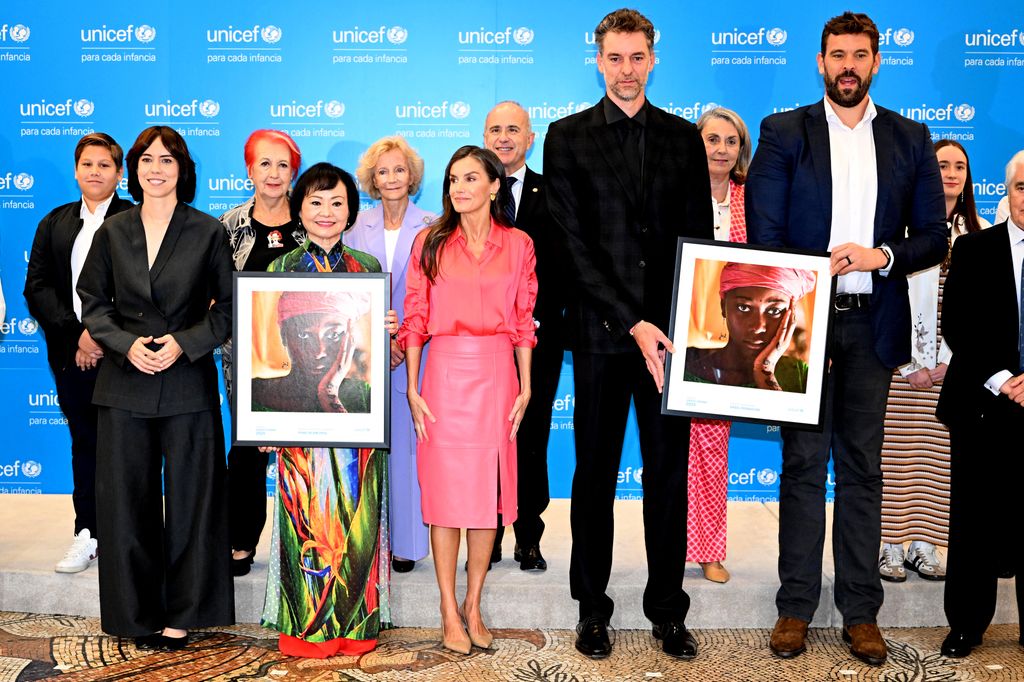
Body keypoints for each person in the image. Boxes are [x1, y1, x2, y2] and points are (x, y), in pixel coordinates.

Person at [745, 12, 947, 666]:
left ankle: (862, 613)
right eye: (838, 55)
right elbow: (766, 233)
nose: (848, 66)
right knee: (803, 468)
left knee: (862, 470)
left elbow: (933, 236)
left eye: (860, 55)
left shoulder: (911, 138)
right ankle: (795, 607)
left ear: (877, 61)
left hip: (873, 324)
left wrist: (880, 254)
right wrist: (807, 281)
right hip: (803, 324)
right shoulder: (783, 133)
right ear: (821, 61)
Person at [544, 8, 714, 661]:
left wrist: (674, 328)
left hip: (671, 343)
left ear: (653, 58)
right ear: (598, 59)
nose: (625, 70)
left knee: (668, 478)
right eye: (614, 58)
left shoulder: (681, 137)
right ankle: (592, 608)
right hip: (600, 335)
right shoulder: (566, 138)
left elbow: (699, 240)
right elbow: (573, 249)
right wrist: (632, 321)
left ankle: (668, 611)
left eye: (636, 57)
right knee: (593, 475)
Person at [76, 126, 235, 650]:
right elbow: (93, 305)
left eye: (167, 160)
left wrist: (182, 344)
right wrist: (125, 344)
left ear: (182, 169)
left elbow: (229, 311)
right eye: (147, 159)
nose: (157, 168)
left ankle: (184, 614)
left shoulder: (208, 232)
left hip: (187, 381)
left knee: (193, 501)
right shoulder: (113, 231)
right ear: (134, 169)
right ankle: (134, 613)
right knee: (126, 505)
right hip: (123, 384)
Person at [398, 145, 537, 655]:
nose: (459, 187)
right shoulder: (429, 243)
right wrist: (413, 386)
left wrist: (525, 385)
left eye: (471, 178)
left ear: (495, 185)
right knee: (446, 499)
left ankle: (474, 604)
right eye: (453, 179)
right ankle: (446, 607)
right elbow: (415, 317)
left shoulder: (520, 244)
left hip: (499, 372)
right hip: (444, 375)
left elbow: (524, 321)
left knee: (484, 501)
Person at [258, 162, 394, 658]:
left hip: (355, 422)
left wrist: (388, 336)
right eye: (316, 202)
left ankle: (355, 627)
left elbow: (378, 360)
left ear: (351, 212)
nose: (326, 212)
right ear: (299, 208)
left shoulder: (367, 269)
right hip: (298, 423)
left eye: (337, 203)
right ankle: (304, 630)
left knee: (355, 514)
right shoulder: (278, 269)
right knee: (305, 518)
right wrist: (266, 420)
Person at [878, 140, 990, 584]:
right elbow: (888, 300)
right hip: (900, 367)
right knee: (895, 458)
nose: (951, 172)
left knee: (937, 460)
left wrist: (953, 360)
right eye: (942, 164)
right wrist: (909, 364)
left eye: (960, 165)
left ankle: (924, 547)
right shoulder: (904, 232)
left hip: (955, 369)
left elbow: (983, 310)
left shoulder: (981, 233)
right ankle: (888, 546)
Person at [24, 133, 133, 574]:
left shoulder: (136, 219)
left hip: (127, 358)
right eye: (87, 164)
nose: (95, 172)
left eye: (105, 165)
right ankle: (87, 534)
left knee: (130, 450)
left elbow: (142, 290)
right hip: (73, 356)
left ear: (120, 173)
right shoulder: (55, 221)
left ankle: (130, 541)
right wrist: (78, 337)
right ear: (75, 170)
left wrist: (104, 338)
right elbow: (38, 287)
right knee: (85, 446)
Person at [936, 150, 1024, 658]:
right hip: (982, 403)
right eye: (1021, 186)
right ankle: (966, 625)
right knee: (972, 519)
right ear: (1006, 191)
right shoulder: (973, 249)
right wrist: (1002, 378)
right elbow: (958, 324)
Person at [484, 100, 567, 572]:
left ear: (530, 139)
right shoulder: (471, 192)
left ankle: (528, 535)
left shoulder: (552, 191)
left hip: (539, 339)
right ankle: (487, 532)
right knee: (489, 438)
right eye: (495, 129)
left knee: (532, 436)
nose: (503, 137)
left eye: (513, 129)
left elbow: (563, 264)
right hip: (485, 344)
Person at [219, 129, 304, 578]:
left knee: (304, 454)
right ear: (249, 170)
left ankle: (305, 545)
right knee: (247, 451)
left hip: (307, 360)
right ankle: (240, 541)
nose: (273, 173)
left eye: (283, 165)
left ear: (295, 173)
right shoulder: (229, 225)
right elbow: (212, 291)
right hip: (245, 360)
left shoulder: (313, 220)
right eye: (264, 164)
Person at [348, 136, 435, 574]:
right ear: (372, 180)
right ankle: (365, 542)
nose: (391, 178)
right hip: (364, 358)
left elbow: (438, 295)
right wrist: (379, 342)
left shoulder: (435, 226)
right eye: (382, 171)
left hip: (416, 357)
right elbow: (346, 295)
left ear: (412, 176)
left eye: (399, 170)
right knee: (365, 455)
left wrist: (403, 341)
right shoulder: (352, 227)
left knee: (406, 453)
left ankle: (405, 544)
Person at [687, 107, 753, 584]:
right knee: (669, 449)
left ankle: (709, 549)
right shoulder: (675, 193)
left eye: (731, 141)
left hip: (729, 344)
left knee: (714, 444)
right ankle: (670, 544)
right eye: (712, 139)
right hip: (678, 334)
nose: (721, 150)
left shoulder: (752, 200)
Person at [684, 262, 816, 393]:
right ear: (723, 307)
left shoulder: (800, 376)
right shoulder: (682, 369)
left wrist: (764, 371)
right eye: (744, 307)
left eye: (774, 311)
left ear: (791, 314)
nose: (758, 327)